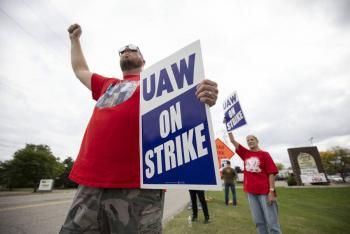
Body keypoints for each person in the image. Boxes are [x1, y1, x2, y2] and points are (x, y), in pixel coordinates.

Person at [59, 23, 219, 234]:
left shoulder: (162, 86)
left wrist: (203, 97)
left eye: (132, 49)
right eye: (122, 50)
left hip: (140, 187)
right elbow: (80, 70)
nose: (126, 51)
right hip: (90, 185)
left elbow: (186, 111)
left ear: (143, 60)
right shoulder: (108, 85)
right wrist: (75, 40)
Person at [228, 132, 282, 234]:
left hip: (265, 192)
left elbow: (271, 173)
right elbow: (232, 141)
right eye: (247, 140)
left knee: (272, 222)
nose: (249, 141)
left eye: (252, 139)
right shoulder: (246, 153)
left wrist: (271, 191)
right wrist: (228, 127)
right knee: (259, 222)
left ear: (257, 141)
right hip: (251, 192)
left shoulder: (265, 155)